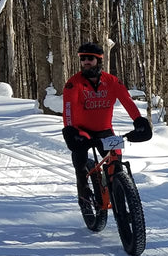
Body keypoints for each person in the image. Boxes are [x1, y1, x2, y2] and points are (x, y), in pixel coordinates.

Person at [62, 42, 152, 215]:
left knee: (116, 165)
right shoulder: (74, 83)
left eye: (90, 59)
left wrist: (139, 121)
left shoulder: (111, 81)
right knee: (80, 164)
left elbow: (127, 101)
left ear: (99, 60)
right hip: (82, 132)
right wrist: (70, 131)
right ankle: (83, 193)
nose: (86, 62)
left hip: (104, 131)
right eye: (83, 59)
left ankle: (119, 194)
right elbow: (68, 109)